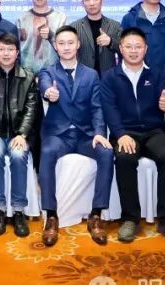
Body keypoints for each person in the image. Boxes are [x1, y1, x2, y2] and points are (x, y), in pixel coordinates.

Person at [101, 28, 165, 245]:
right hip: (126, 132)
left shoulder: (157, 74)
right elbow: (109, 110)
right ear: (120, 49)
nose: (133, 51)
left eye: (138, 46)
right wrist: (120, 134)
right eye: (128, 46)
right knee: (124, 159)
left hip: (153, 130)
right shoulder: (110, 77)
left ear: (145, 49)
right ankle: (130, 219)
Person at [38, 26, 114, 247]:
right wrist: (49, 93)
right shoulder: (48, 71)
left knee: (106, 153)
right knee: (47, 151)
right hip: (58, 135)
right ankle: (51, 215)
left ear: (78, 44)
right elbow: (45, 86)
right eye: (61, 43)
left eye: (70, 43)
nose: (66, 47)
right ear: (55, 46)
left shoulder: (91, 74)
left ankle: (96, 214)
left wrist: (99, 133)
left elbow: (97, 108)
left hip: (84, 135)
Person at [0, 32, 38, 237]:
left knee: (19, 155)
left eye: (10, 49)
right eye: (1, 49)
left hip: (18, 134)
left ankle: (18, 210)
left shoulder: (28, 76)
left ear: (17, 52)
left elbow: (31, 109)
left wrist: (22, 134)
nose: (6, 53)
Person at [16, 0, 67, 74]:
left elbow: (66, 46)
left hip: (54, 72)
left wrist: (51, 35)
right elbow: (16, 48)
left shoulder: (60, 18)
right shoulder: (21, 19)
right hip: (26, 73)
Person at [72, 0, 122, 75]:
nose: (92, 3)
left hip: (108, 77)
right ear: (82, 3)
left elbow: (124, 49)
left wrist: (110, 42)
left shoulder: (115, 25)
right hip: (84, 78)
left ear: (102, 1)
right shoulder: (74, 27)